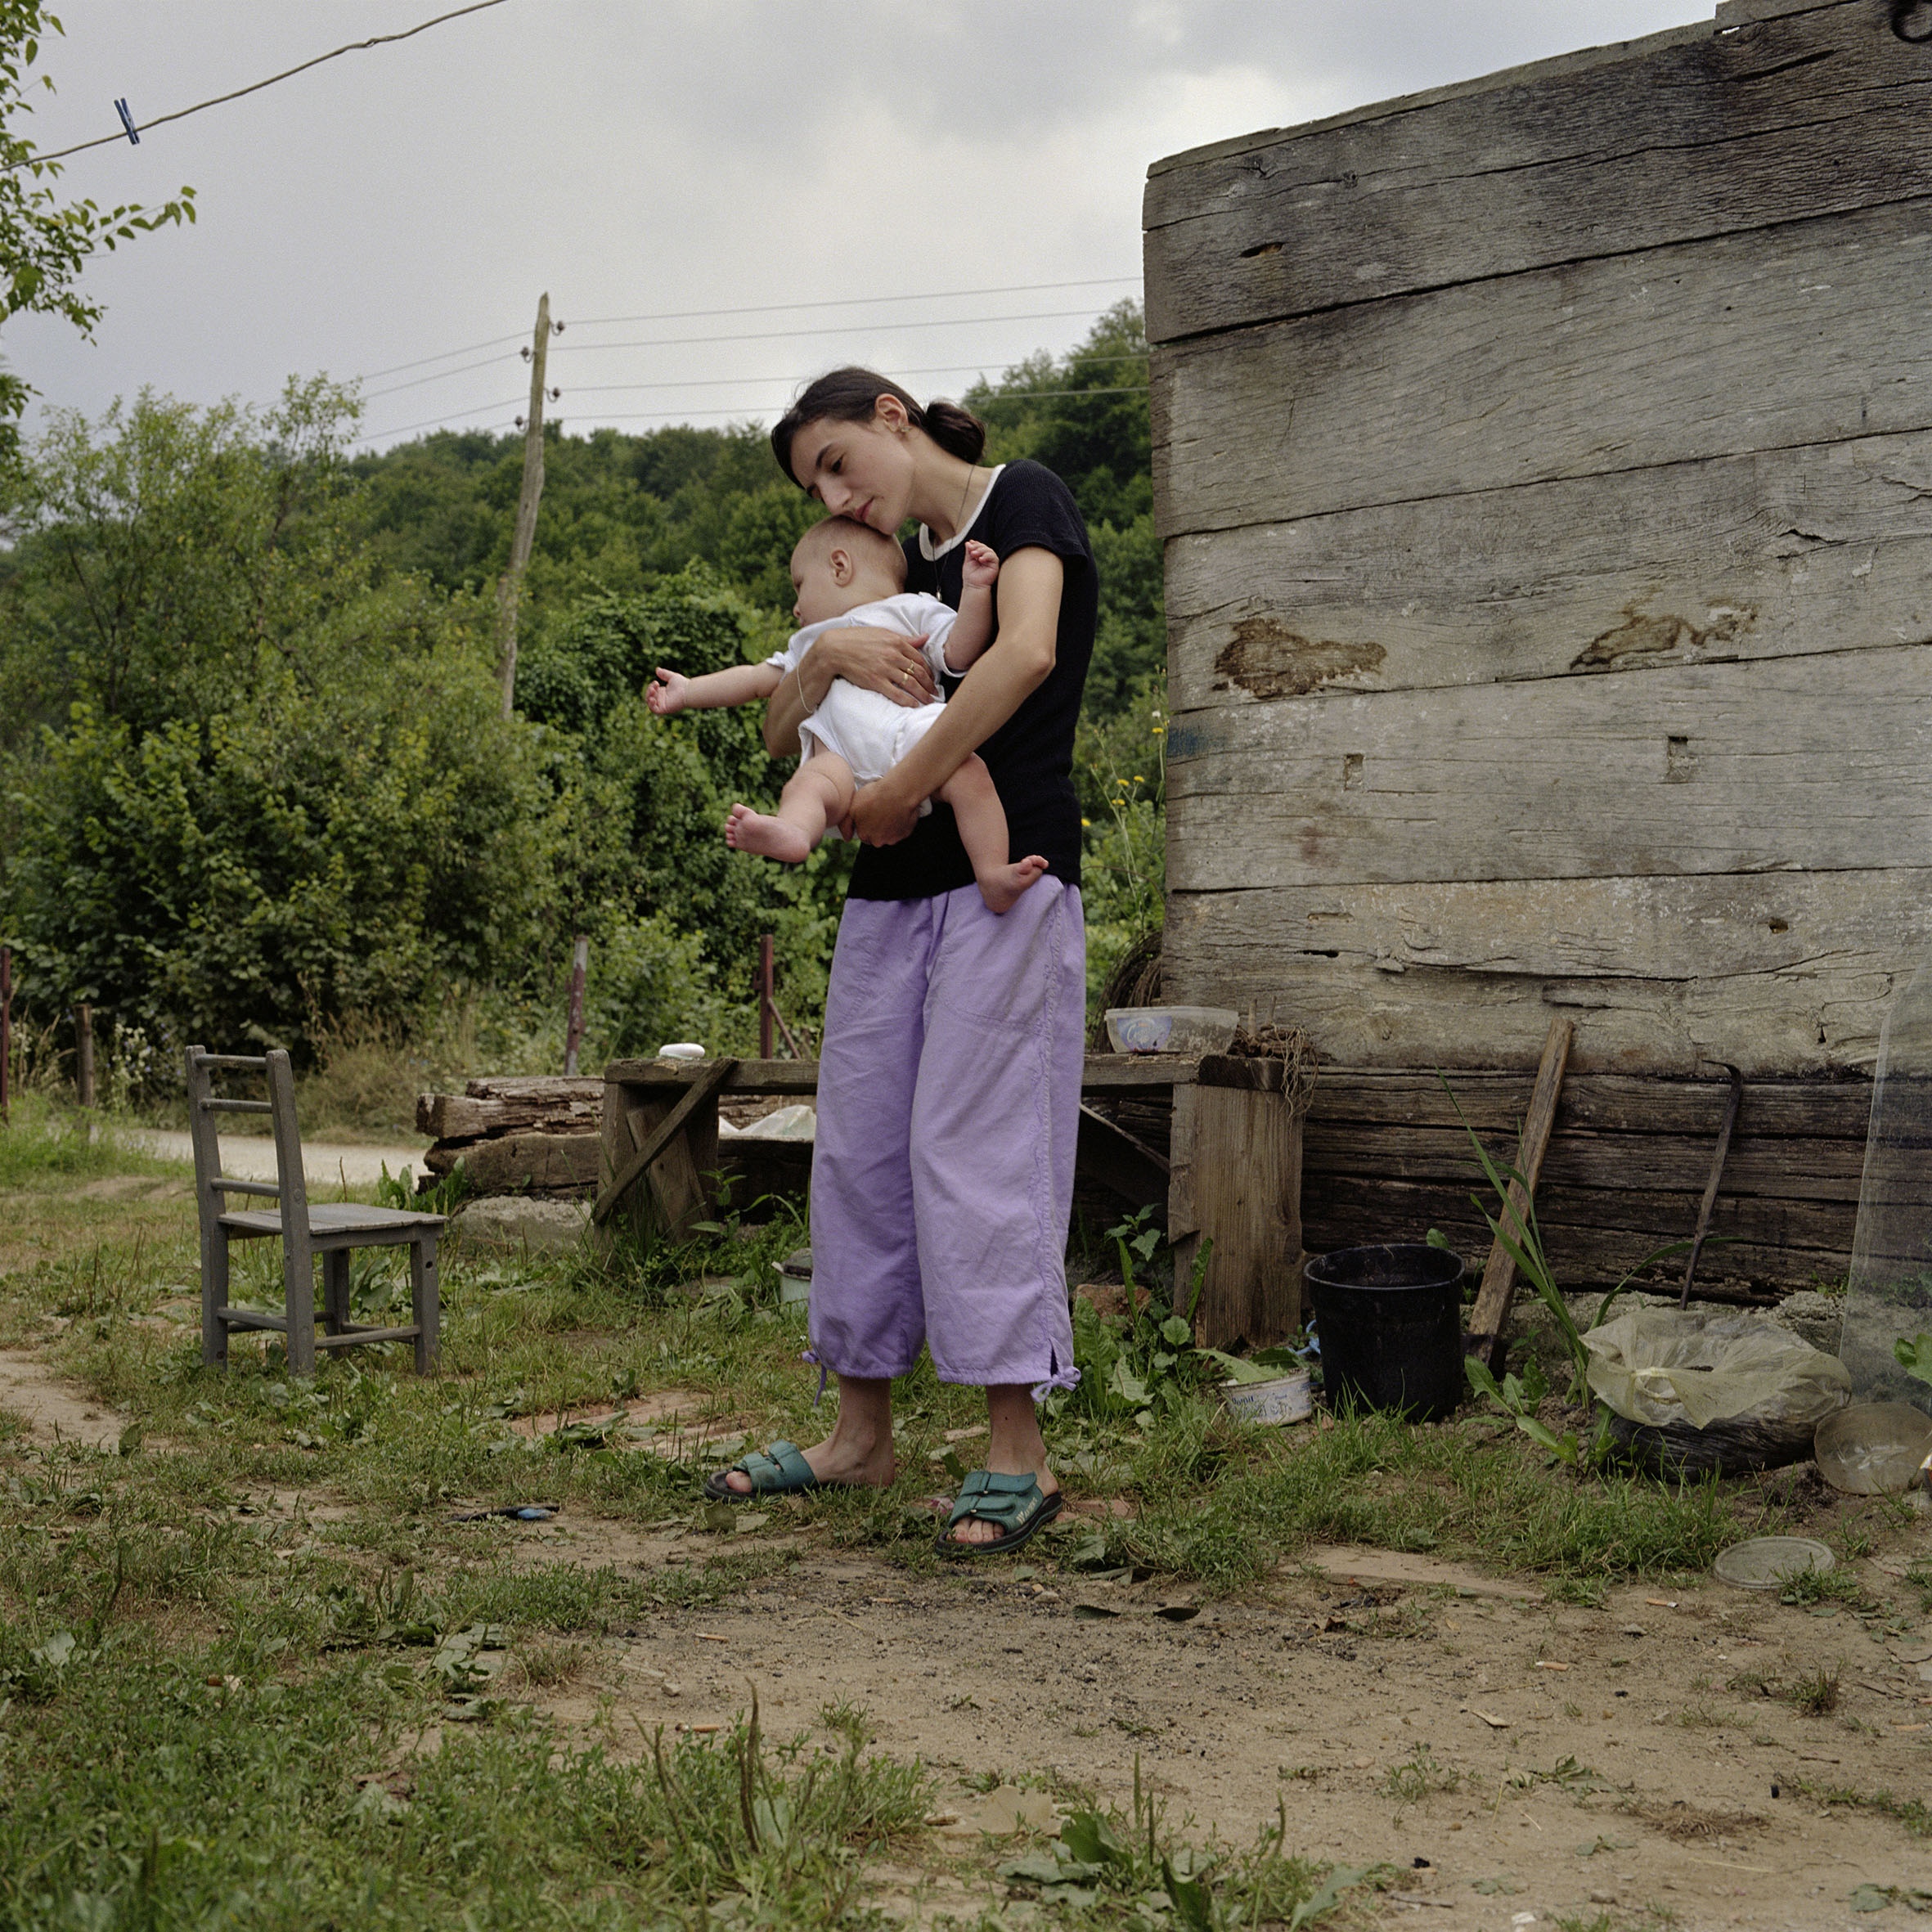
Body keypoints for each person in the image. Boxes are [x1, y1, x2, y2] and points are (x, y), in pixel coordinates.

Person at [705, 367, 1098, 1557]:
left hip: (1005, 870)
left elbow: (1022, 657)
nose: (835, 495)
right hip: (885, 894)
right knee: (865, 1148)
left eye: (835, 461)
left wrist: (892, 790)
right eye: (813, 486)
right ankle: (858, 1436)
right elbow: (784, 723)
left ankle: (1013, 1455)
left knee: (973, 1150)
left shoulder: (1016, 505)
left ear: (891, 413)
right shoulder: (872, 571)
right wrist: (822, 666)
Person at [645, 515, 1047, 914]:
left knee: (969, 773)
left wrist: (976, 589)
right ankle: (794, 831)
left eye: (800, 586)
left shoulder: (911, 609)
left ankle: (992, 871)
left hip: (910, 736)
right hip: (837, 759)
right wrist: (689, 691)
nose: (796, 607)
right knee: (809, 784)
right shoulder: (809, 643)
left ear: (840, 567)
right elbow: (754, 680)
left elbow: (959, 650)